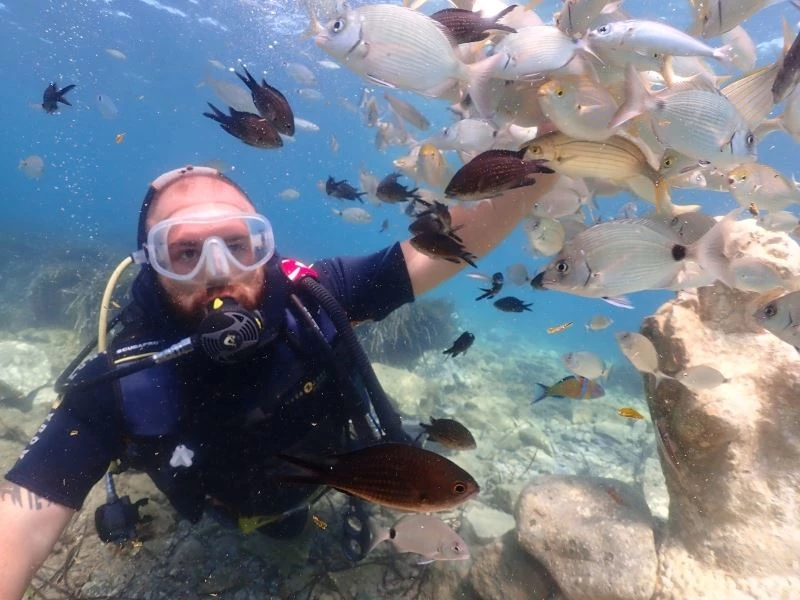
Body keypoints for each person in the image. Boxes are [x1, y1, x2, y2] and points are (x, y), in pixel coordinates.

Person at [0, 165, 557, 597]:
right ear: (152, 264)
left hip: (338, 477)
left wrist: (546, 168)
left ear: (263, 246)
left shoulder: (312, 298)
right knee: (279, 532)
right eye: (185, 252)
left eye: (238, 244)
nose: (217, 270)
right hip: (228, 505)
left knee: (310, 517)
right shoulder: (123, 380)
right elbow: (23, 519)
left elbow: (443, 249)